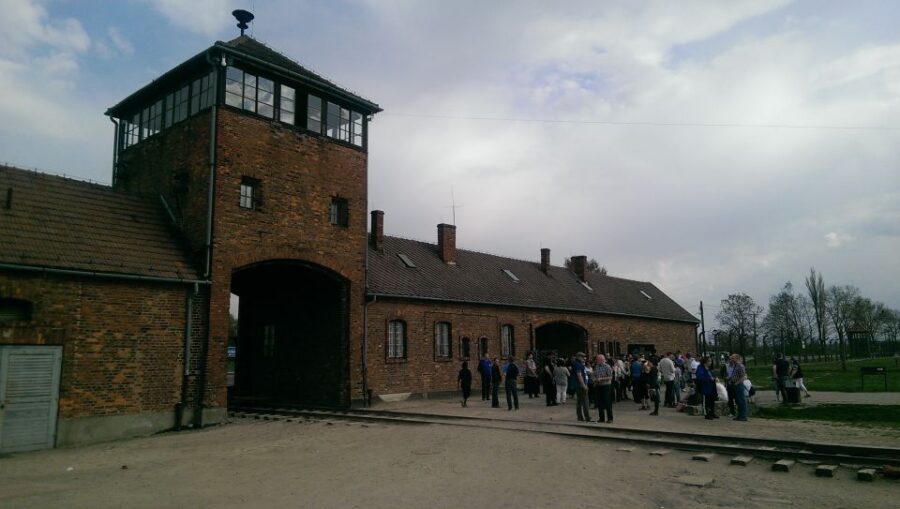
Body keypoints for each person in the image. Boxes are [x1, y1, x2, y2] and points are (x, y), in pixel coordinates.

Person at [593, 354, 614, 423]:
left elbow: (610, 377)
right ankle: (601, 418)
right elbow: (595, 375)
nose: (596, 361)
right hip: (599, 386)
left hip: (606, 385)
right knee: (600, 402)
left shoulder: (607, 366)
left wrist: (601, 379)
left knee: (607, 402)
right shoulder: (596, 367)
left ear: (601, 360)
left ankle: (610, 418)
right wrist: (595, 379)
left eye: (597, 359)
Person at [729, 353, 749, 421]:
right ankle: (740, 415)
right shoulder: (735, 365)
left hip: (738, 385)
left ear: (737, 358)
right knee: (738, 401)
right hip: (734, 384)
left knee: (741, 400)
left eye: (732, 358)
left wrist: (737, 383)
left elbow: (743, 376)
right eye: (731, 358)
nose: (731, 359)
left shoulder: (740, 366)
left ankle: (743, 416)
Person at [572, 352, 591, 422]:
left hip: (579, 385)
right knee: (585, 401)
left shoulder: (578, 364)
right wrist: (584, 385)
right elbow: (579, 375)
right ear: (578, 357)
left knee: (579, 401)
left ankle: (580, 417)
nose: (584, 358)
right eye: (582, 357)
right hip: (581, 385)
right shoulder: (578, 364)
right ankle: (587, 417)